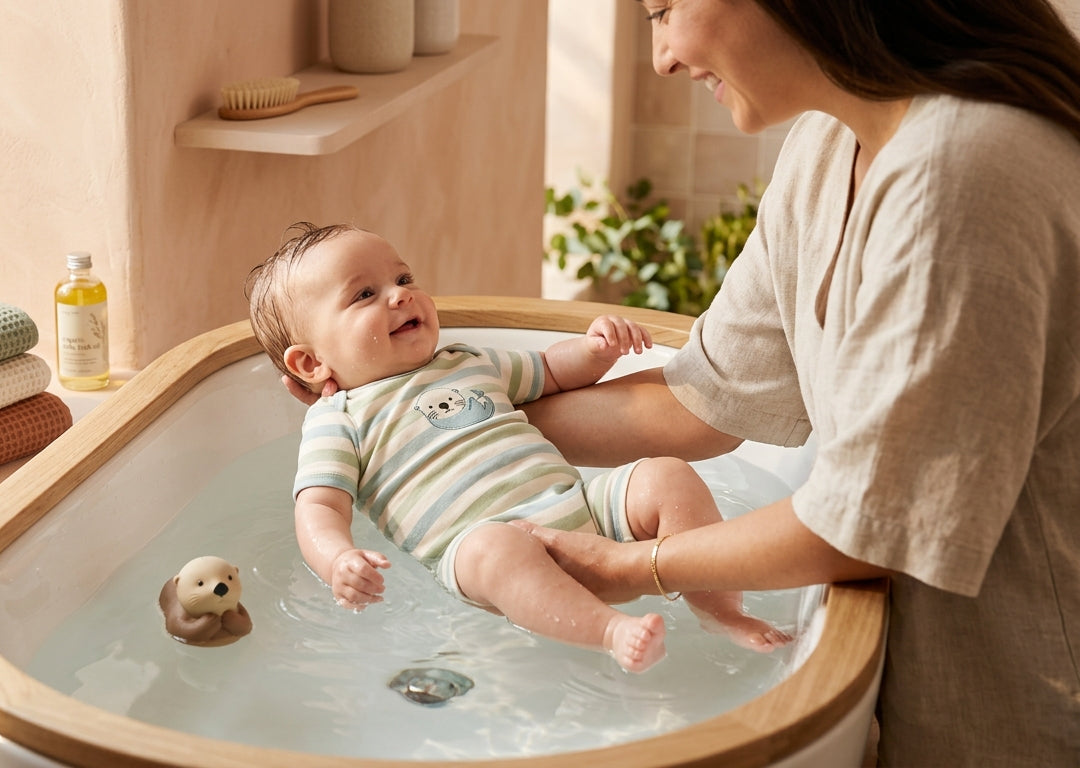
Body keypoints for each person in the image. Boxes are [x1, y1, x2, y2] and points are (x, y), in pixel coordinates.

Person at [496, 1, 1080, 765]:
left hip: (1021, 711)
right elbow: (700, 400)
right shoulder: (829, 143)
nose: (662, 56)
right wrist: (443, 419)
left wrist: (635, 567)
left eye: (665, 9)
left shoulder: (963, 172)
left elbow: (862, 523)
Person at [246, 222, 792, 673]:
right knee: (494, 548)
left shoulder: (464, 360)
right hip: (483, 548)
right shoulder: (336, 418)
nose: (401, 294)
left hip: (581, 510)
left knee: (665, 477)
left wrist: (596, 350)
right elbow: (317, 505)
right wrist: (337, 558)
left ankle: (721, 610)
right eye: (365, 294)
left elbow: (548, 371)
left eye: (403, 277)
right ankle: (610, 631)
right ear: (310, 364)